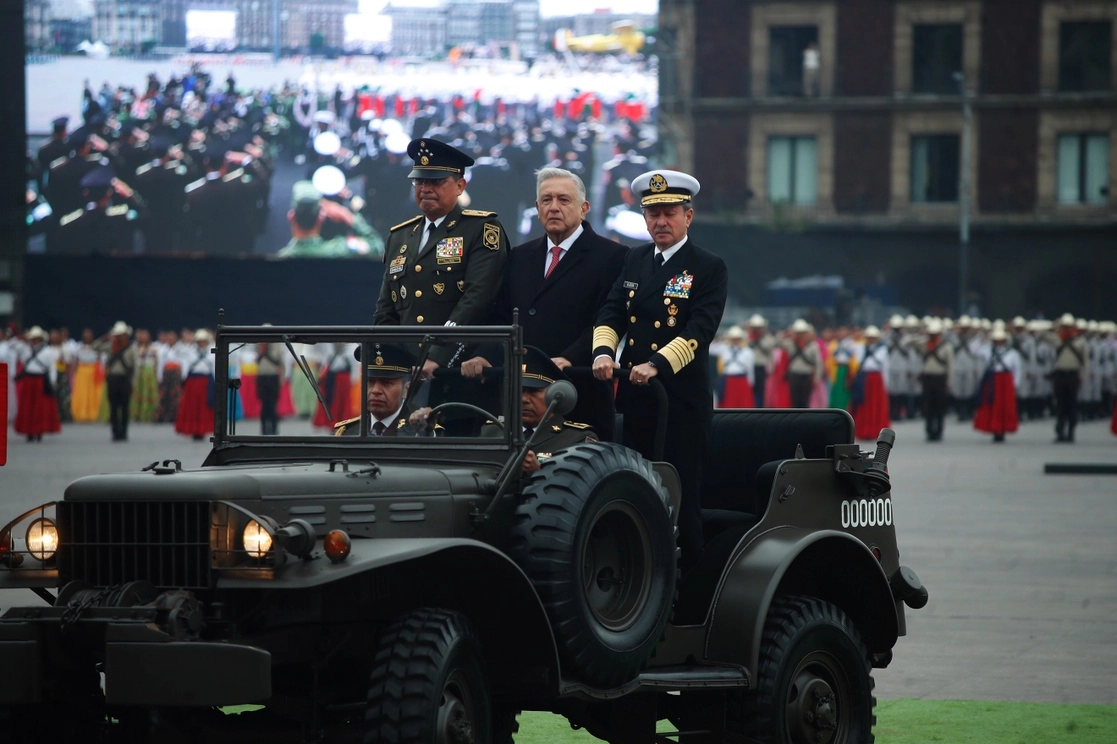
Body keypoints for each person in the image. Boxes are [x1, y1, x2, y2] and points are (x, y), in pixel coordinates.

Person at [592, 169, 728, 572]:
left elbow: (700, 329)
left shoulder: (707, 266)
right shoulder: (634, 259)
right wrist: (603, 351)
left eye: (669, 212)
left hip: (679, 401)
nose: (660, 222)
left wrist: (656, 364)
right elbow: (613, 310)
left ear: (689, 216)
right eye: (653, 214)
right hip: (635, 398)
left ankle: (690, 581)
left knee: (679, 497)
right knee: (634, 493)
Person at [461, 167, 627, 437]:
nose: (554, 207)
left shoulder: (613, 256)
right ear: (537, 208)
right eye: (547, 200)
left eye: (564, 200)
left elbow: (607, 321)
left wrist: (570, 358)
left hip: (579, 392)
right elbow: (501, 318)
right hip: (521, 398)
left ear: (584, 208)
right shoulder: (520, 256)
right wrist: (483, 354)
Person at [373, 138, 510, 379]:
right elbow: (386, 310)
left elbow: (477, 299)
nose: (425, 188)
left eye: (436, 181)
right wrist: (387, 359)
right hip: (406, 370)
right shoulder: (400, 236)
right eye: (420, 180)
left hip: (458, 369)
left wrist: (437, 355)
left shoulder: (481, 229)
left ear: (460, 186)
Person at [478, 346, 598, 475]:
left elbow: (582, 486)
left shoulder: (577, 439)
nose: (524, 399)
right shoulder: (493, 431)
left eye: (534, 391)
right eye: (519, 390)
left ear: (554, 395)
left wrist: (539, 471)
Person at [277, 180, 384, 259]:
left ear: (291, 217)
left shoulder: (281, 258)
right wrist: (348, 216)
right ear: (321, 218)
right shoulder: (340, 250)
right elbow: (377, 246)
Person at [335, 344, 424, 436]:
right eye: (370, 381)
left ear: (406, 390)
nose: (375, 390)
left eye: (386, 383)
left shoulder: (419, 432)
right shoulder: (348, 432)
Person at [14, 326, 62, 443]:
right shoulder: (26, 349)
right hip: (29, 380)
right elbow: (15, 346)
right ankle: (28, 431)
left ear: (41, 339)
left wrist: (52, 381)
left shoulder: (47, 351)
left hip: (40, 380)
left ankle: (38, 431)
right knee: (27, 407)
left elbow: (52, 367)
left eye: (37, 338)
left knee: (39, 408)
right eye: (33, 338)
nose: (35, 341)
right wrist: (23, 339)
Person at [973, 326, 1020, 443]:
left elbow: (1017, 369)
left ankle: (1002, 430)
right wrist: (981, 338)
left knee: (1005, 406)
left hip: (1005, 381)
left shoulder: (1012, 353)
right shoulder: (987, 350)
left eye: (1001, 340)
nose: (999, 342)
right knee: (992, 405)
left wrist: (1015, 384)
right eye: (996, 340)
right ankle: (994, 429)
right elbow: (974, 350)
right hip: (993, 380)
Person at [94, 321, 138, 441]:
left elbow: (135, 367)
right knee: (113, 407)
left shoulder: (131, 348)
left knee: (124, 407)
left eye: (121, 334)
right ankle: (115, 431)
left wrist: (133, 383)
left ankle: (123, 432)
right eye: (117, 335)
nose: (119, 337)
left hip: (125, 379)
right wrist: (106, 338)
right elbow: (95, 346)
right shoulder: (110, 346)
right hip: (112, 379)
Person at [1050, 313, 1087, 443]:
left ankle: (1071, 431)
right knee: (1060, 404)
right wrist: (1053, 326)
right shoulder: (1057, 339)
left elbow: (1085, 362)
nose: (1065, 329)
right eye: (1063, 326)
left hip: (1072, 375)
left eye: (1068, 326)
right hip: (1060, 375)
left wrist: (1083, 376)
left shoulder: (1080, 341)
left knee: (1072, 405)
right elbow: (1041, 336)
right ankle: (1060, 430)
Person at [851, 325, 890, 440]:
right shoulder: (861, 348)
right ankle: (863, 430)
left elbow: (884, 366)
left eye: (873, 338)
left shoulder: (882, 349)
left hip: (876, 379)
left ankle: (877, 431)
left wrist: (886, 384)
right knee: (864, 405)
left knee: (876, 404)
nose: (871, 340)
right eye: (869, 337)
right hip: (864, 378)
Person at [175, 328, 215, 441]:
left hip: (206, 382)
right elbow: (185, 366)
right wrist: (183, 380)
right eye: (199, 341)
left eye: (203, 341)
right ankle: (193, 429)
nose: (201, 343)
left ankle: (202, 429)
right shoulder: (190, 351)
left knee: (204, 407)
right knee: (192, 406)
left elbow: (215, 367)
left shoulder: (212, 351)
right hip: (193, 381)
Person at [920, 319, 953, 442]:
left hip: (940, 378)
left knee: (940, 406)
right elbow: (908, 343)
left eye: (934, 334)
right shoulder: (925, 344)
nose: (932, 336)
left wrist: (949, 382)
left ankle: (939, 431)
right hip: (928, 378)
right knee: (928, 406)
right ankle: (929, 431)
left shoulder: (946, 346)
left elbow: (950, 365)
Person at [783, 319, 822, 408]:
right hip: (794, 375)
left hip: (806, 376)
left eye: (802, 333)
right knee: (794, 400)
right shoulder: (790, 344)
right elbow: (776, 343)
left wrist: (817, 378)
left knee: (805, 401)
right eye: (798, 332)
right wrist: (787, 334)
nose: (800, 335)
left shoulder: (813, 345)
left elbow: (818, 363)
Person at [715, 326, 755, 408]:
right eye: (733, 338)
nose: (735, 341)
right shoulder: (724, 349)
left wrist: (751, 383)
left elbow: (750, 369)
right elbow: (712, 348)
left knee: (744, 404)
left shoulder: (748, 351)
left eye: (737, 338)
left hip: (742, 380)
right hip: (728, 380)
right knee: (728, 404)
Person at [256, 335, 284, 435]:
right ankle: (264, 430)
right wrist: (261, 351)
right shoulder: (258, 346)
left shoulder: (277, 346)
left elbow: (279, 362)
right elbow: (256, 361)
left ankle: (274, 429)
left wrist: (267, 352)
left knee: (272, 405)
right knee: (264, 405)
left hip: (273, 377)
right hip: (262, 377)